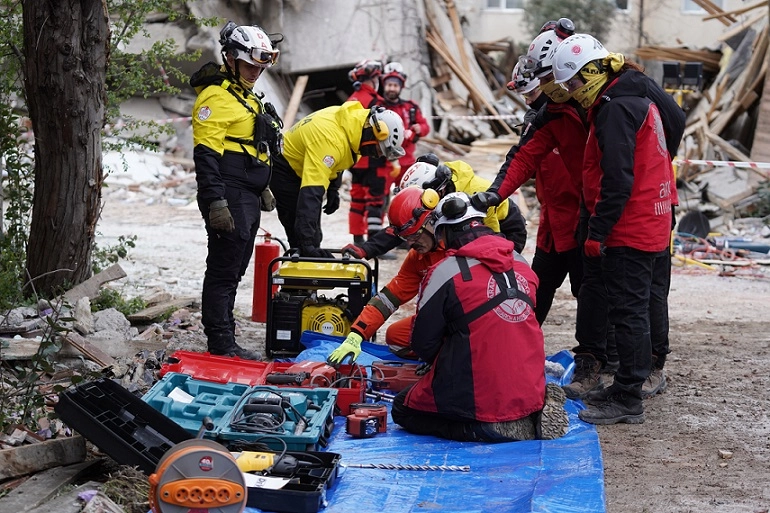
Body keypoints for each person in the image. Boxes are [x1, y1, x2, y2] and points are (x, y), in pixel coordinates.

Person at [551, 33, 682, 424]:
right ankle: (627, 383)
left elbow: (618, 179)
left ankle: (628, 396)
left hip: (630, 225)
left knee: (628, 313)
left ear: (591, 72)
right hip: (649, 217)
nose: (572, 93)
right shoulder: (637, 99)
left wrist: (598, 232)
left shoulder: (615, 109)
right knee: (635, 309)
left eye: (573, 83)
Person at [389, 192, 569, 442]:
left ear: (445, 232)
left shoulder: (444, 271)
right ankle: (532, 408)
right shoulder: (521, 263)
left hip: (479, 392)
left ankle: (488, 429)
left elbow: (423, 343)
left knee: (403, 409)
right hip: (529, 384)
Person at [189, 21, 283, 360]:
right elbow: (206, 156)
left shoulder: (243, 95)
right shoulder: (216, 97)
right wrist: (216, 201)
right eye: (250, 65)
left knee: (237, 268)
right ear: (230, 58)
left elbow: (250, 146)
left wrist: (264, 186)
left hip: (247, 192)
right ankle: (221, 342)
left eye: (260, 67)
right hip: (229, 192)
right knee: (224, 269)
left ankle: (225, 335)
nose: (256, 72)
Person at [327, 186, 447, 361]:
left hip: (470, 317)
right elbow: (389, 298)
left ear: (431, 222)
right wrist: (357, 333)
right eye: (407, 239)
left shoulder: (460, 244)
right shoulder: (418, 258)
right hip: (443, 318)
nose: (411, 244)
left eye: (415, 235)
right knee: (396, 337)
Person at [269, 102, 405, 257]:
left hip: (304, 162)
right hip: (285, 167)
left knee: (312, 235)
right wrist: (307, 242)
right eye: (379, 149)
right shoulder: (330, 139)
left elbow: (341, 158)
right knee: (300, 233)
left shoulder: (355, 129)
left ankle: (306, 259)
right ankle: (300, 263)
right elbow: (311, 194)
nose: (377, 155)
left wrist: (334, 188)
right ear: (375, 133)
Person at [507, 61, 582, 326]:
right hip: (552, 221)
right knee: (538, 287)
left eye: (531, 95)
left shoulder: (574, 115)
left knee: (588, 292)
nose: (528, 102)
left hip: (579, 221)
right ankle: (521, 341)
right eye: (524, 96)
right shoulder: (537, 122)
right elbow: (521, 164)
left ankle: (602, 353)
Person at [342, 154, 527, 261]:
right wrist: (367, 249)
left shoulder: (475, 194)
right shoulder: (437, 194)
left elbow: (490, 240)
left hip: (506, 228)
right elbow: (404, 227)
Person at [345, 60, 388, 244]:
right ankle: (374, 241)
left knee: (357, 202)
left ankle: (358, 240)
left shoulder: (350, 100)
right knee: (375, 202)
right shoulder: (376, 102)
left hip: (354, 160)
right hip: (373, 159)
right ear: (372, 79)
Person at [378, 62, 431, 189]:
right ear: (384, 86)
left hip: (407, 162)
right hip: (383, 163)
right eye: (389, 85)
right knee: (379, 198)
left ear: (401, 87)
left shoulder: (410, 107)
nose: (392, 88)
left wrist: (420, 128)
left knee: (405, 194)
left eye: (395, 85)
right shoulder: (377, 107)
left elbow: (426, 127)